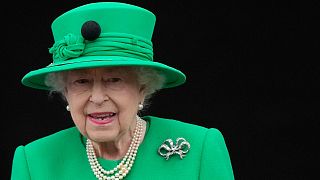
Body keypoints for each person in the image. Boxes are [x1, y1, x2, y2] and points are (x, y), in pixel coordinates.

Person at [11, 2, 234, 180]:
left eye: (114, 79)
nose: (97, 98)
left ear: (143, 88)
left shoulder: (200, 149)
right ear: (65, 92)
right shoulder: (33, 161)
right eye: (81, 82)